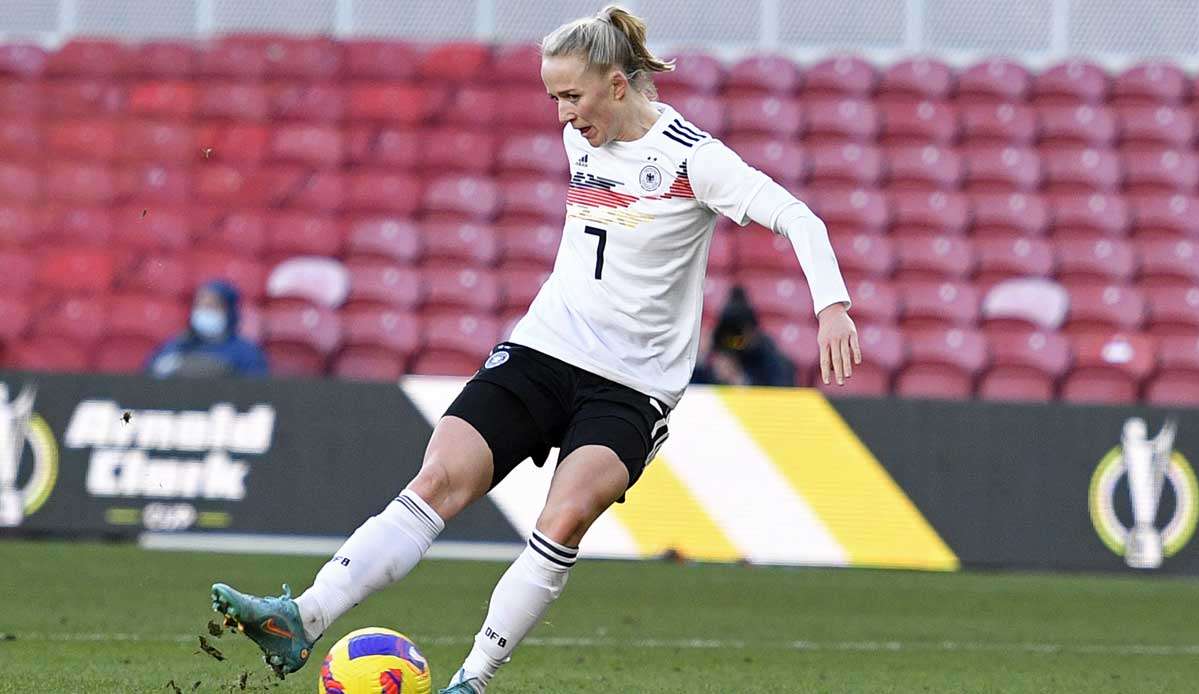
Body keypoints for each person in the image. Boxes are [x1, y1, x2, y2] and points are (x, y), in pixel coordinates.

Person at [209, 6, 860, 692]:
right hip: (544, 348)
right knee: (437, 479)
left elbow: (797, 217)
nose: (562, 117)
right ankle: (301, 620)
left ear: (616, 84)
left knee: (564, 516)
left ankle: (473, 679)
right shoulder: (585, 135)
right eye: (553, 99)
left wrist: (832, 307)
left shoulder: (693, 160)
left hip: (631, 385)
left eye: (572, 97)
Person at [146, 280, 268, 378]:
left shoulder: (247, 352)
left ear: (229, 311)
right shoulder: (176, 344)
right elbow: (147, 380)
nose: (204, 311)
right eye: (199, 305)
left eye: (212, 306)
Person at [692, 285, 796, 386]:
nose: (734, 342)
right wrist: (700, 359)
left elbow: (781, 392)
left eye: (737, 337)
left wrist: (739, 379)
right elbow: (692, 390)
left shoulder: (768, 354)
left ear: (751, 332)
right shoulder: (719, 345)